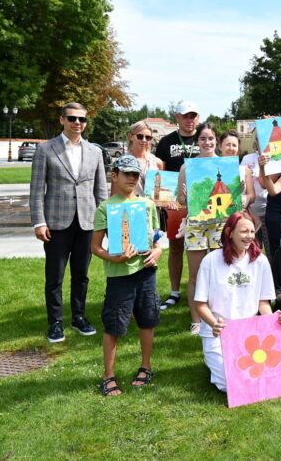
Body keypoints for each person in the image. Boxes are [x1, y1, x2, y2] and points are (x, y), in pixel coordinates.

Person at [30, 102, 108, 343]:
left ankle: (79, 317)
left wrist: (104, 223)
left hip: (87, 222)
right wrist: (38, 222)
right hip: (56, 222)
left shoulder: (95, 151)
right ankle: (55, 322)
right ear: (62, 120)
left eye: (82, 119)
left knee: (81, 275)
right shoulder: (45, 150)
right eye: (72, 118)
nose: (77, 123)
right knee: (55, 276)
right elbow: (36, 190)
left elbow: (101, 190)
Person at [90, 156, 162, 396]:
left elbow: (158, 237)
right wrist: (115, 258)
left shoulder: (148, 204)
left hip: (146, 272)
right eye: (126, 174)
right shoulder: (105, 208)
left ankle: (146, 366)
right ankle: (108, 375)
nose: (132, 178)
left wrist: (158, 251)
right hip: (119, 275)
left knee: (147, 319)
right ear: (114, 175)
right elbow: (96, 247)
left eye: (135, 175)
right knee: (114, 324)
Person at [192, 212, 281, 392]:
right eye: (244, 231)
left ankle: (227, 361)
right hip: (218, 332)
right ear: (230, 232)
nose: (250, 236)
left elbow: (263, 304)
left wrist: (273, 319)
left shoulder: (261, 261)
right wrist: (214, 324)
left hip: (249, 332)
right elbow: (200, 304)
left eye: (252, 231)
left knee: (265, 378)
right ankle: (216, 359)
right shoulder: (210, 261)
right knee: (230, 385)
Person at [177, 123, 241, 335]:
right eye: (203, 139)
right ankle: (196, 319)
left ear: (216, 141)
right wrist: (184, 196)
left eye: (211, 139)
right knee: (196, 274)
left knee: (220, 271)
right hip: (196, 225)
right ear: (197, 142)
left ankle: (219, 314)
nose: (207, 143)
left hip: (221, 225)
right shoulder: (187, 168)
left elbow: (234, 197)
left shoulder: (227, 165)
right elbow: (181, 201)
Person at [154, 101, 200, 311]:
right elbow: (159, 173)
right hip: (174, 204)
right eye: (185, 116)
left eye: (193, 116)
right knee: (175, 248)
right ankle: (174, 291)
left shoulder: (205, 139)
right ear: (177, 118)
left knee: (202, 247)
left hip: (200, 203)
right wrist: (162, 200)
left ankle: (200, 290)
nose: (189, 120)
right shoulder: (166, 142)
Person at [126, 121, 163, 197]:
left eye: (148, 137)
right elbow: (115, 194)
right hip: (130, 207)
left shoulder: (157, 162)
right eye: (140, 136)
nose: (144, 140)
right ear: (131, 137)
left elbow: (160, 190)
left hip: (153, 207)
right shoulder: (122, 162)